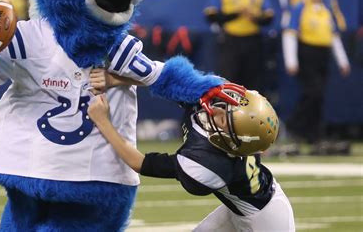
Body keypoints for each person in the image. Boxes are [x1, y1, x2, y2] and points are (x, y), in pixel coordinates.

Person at [87, 72, 295, 232]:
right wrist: (118, 79)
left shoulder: (210, 165)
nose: (218, 110)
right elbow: (168, 81)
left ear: (232, 142)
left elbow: (140, 162)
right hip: (247, 206)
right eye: (227, 106)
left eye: (224, 118)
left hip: (267, 222)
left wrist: (103, 121)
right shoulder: (230, 127)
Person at [283, 0, 350, 148]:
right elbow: (290, 34)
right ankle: (294, 125)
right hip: (307, 53)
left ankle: (313, 134)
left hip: (323, 54)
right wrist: (291, 61)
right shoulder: (300, 7)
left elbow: (333, 37)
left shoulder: (325, 10)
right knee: (313, 92)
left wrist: (342, 61)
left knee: (319, 96)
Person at [204, 0, 274, 91]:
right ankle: (228, 112)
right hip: (231, 40)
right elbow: (210, 16)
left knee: (253, 82)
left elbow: (269, 17)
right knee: (229, 80)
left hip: (253, 40)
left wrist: (255, 17)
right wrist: (237, 13)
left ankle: (251, 112)